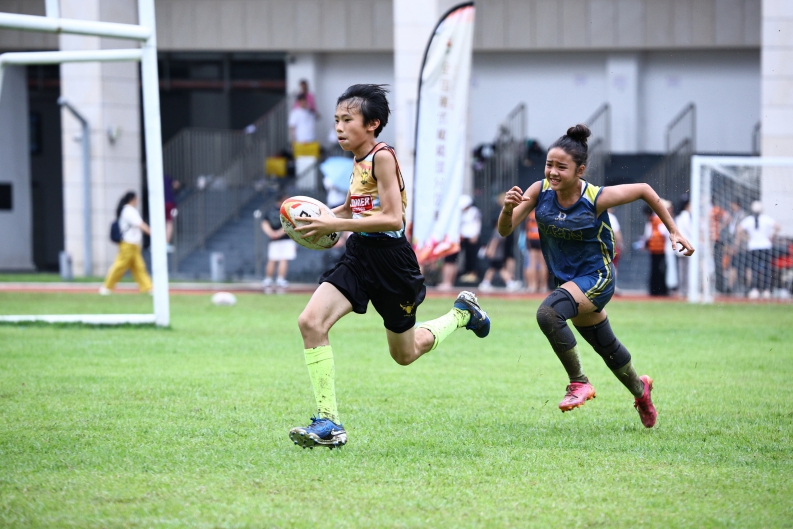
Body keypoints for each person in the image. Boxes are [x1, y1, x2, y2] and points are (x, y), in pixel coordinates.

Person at [287, 84, 490, 449]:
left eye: (347, 120)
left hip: (393, 262)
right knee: (310, 322)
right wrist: (316, 219)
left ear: (373, 124)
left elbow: (394, 218)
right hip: (359, 255)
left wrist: (335, 224)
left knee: (405, 354)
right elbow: (352, 208)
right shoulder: (357, 159)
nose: (339, 127)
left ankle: (462, 313)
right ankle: (328, 422)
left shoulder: (383, 157)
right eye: (336, 120)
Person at [497, 124, 694, 428]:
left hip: (598, 278)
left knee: (548, 313)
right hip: (570, 284)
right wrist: (508, 209)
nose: (552, 172)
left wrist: (674, 230)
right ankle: (641, 391)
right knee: (608, 349)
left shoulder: (595, 198)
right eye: (549, 164)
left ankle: (579, 382)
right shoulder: (539, 191)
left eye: (561, 167)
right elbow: (505, 230)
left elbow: (644, 189)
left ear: (580, 170)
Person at [99, 191, 153, 295]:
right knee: (120, 266)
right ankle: (107, 287)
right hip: (128, 244)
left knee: (139, 267)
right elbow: (140, 224)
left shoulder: (127, 210)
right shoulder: (129, 210)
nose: (138, 202)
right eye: (137, 199)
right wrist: (152, 233)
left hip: (133, 244)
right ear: (132, 199)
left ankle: (148, 288)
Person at [738, 201, 780, 300]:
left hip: (753, 247)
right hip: (765, 246)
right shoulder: (766, 218)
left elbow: (739, 229)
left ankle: (755, 289)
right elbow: (778, 227)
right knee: (766, 269)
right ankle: (766, 290)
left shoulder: (749, 219)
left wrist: (747, 238)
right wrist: (771, 236)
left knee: (754, 269)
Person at [261, 194, 297, 291]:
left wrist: (271, 233)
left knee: (272, 259)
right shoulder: (287, 211)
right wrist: (279, 233)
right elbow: (289, 224)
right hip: (286, 239)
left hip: (274, 240)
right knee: (283, 259)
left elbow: (264, 223)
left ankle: (268, 280)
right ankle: (280, 280)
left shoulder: (270, 210)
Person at [643, 206, 669, 296]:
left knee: (656, 270)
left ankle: (655, 290)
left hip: (657, 249)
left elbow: (649, 235)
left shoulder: (653, 221)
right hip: (659, 249)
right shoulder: (657, 220)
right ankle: (660, 290)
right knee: (660, 270)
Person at [458, 194, 482, 284]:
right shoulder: (461, 212)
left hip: (472, 237)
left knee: (472, 256)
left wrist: (475, 235)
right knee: (464, 256)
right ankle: (466, 273)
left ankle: (473, 273)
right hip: (463, 237)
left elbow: (477, 223)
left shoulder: (474, 211)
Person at [523, 209, 548, 293]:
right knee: (542, 264)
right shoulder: (543, 212)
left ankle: (532, 285)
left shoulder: (530, 214)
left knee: (532, 263)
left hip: (532, 238)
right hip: (541, 238)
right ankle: (543, 286)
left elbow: (526, 228)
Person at [675, 195, 693, 297]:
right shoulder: (685, 215)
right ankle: (685, 290)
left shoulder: (679, 216)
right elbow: (690, 231)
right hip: (686, 246)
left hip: (681, 247)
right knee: (686, 271)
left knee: (682, 270)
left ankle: (683, 290)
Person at [163, 174, 180, 248]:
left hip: (159, 203)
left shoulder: (153, 178)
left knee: (159, 223)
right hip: (170, 202)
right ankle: (166, 243)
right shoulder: (165, 177)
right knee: (169, 223)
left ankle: (158, 242)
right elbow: (176, 184)